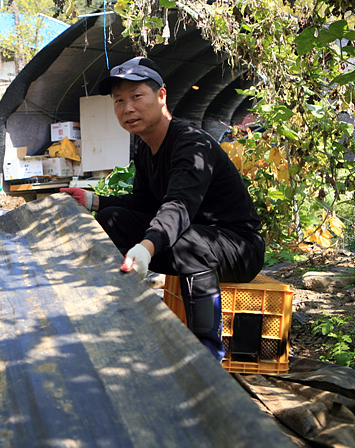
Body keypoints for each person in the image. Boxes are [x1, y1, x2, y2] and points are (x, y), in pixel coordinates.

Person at [62, 57, 265, 361]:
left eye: (136, 96)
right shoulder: (145, 147)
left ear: (161, 96)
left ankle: (207, 354)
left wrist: (146, 247)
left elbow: (178, 207)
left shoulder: (191, 145)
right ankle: (119, 322)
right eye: (119, 100)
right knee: (110, 219)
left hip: (238, 246)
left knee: (186, 242)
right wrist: (93, 201)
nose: (127, 108)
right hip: (191, 236)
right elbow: (144, 205)